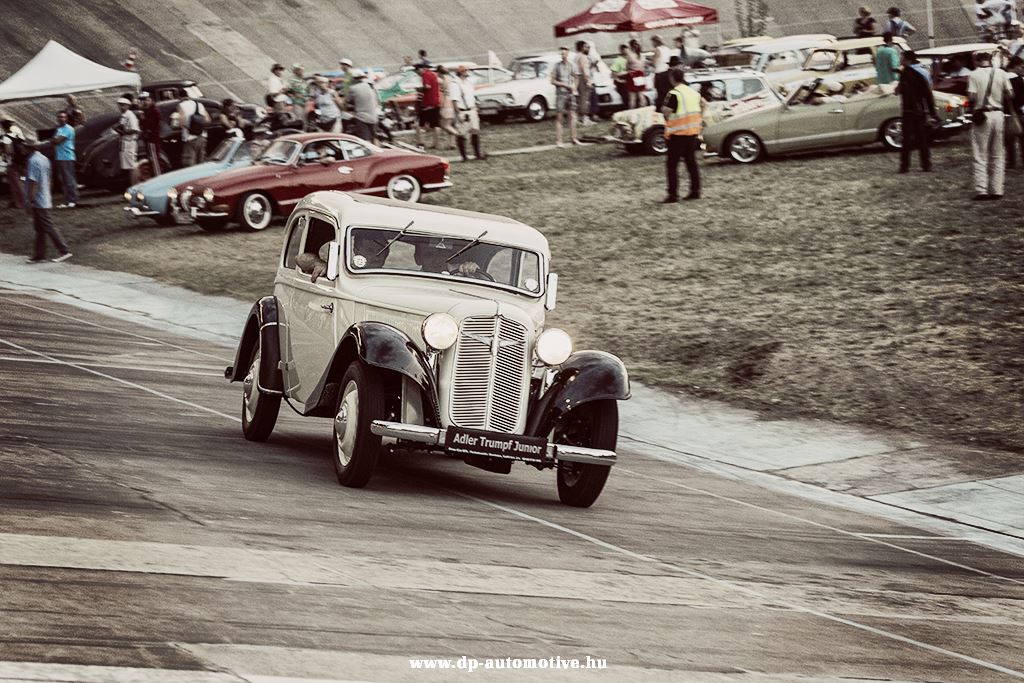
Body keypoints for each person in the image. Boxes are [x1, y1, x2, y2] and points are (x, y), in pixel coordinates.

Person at [967, 49, 1013, 198]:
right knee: (998, 153)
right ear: (990, 60)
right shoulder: (1001, 73)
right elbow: (1010, 94)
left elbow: (972, 96)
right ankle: (997, 189)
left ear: (977, 61)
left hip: (983, 114)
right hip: (998, 113)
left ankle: (982, 190)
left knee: (980, 154)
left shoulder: (973, 75)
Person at [23, 142, 71, 264]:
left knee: (48, 226)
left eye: (24, 146)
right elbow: (49, 179)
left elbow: (33, 182)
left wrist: (30, 201)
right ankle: (40, 255)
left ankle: (64, 250)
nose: (22, 148)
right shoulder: (45, 159)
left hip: (38, 200)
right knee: (40, 229)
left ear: (29, 148)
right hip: (45, 197)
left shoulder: (32, 161)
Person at [660, 68, 704, 202]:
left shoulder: (675, 93)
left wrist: (664, 112)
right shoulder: (693, 92)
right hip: (692, 133)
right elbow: (703, 105)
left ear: (672, 78)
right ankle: (695, 191)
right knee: (691, 163)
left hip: (678, 134)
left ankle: (673, 194)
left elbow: (667, 112)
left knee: (672, 165)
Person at [895, 51, 937, 172]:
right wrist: (932, 112)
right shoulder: (923, 71)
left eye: (902, 58)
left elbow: (899, 91)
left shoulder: (905, 73)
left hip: (909, 110)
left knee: (907, 139)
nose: (900, 60)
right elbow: (928, 94)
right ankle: (926, 165)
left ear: (908, 60)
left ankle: (904, 166)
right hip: (920, 110)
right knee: (922, 139)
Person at [453, 65, 485, 161]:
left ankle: (477, 154)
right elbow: (454, 100)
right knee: (462, 133)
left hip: (472, 109)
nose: (467, 73)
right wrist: (458, 113)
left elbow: (471, 96)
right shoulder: (455, 84)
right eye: (465, 71)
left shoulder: (468, 83)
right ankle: (464, 156)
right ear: (461, 73)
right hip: (463, 110)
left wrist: (476, 106)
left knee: (475, 131)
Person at [551, 46, 580, 147]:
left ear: (568, 53)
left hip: (570, 94)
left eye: (565, 53)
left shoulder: (572, 65)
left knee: (573, 116)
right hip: (561, 94)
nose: (563, 55)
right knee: (560, 117)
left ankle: (574, 138)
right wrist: (563, 85)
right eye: (561, 54)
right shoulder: (556, 66)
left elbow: (576, 77)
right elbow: (552, 80)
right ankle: (559, 141)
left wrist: (574, 87)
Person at [51, 111, 78, 208]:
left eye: (63, 117)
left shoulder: (68, 129)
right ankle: (67, 200)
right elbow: (54, 140)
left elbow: (57, 140)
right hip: (59, 157)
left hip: (67, 157)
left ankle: (73, 200)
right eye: (59, 117)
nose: (61, 118)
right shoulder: (58, 129)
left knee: (69, 179)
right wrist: (54, 139)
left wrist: (54, 140)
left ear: (66, 119)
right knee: (63, 180)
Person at [176, 93, 209, 167]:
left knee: (189, 163)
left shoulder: (181, 105)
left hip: (190, 138)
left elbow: (182, 122)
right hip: (202, 136)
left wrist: (186, 126)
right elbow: (207, 120)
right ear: (189, 96)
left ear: (180, 98)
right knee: (201, 162)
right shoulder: (199, 104)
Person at [346, 69, 379, 142]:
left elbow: (347, 101)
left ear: (354, 79)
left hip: (362, 117)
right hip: (374, 116)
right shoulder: (370, 86)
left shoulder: (353, 89)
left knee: (365, 140)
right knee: (375, 138)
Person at [114, 97, 141, 185]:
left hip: (130, 141)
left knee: (132, 165)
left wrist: (124, 131)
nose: (121, 107)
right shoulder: (124, 116)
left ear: (128, 106)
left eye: (123, 105)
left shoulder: (130, 115)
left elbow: (135, 129)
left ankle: (135, 185)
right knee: (128, 166)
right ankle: (132, 185)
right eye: (120, 105)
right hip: (125, 141)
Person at [415, 62, 441, 148]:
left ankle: (420, 142)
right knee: (435, 125)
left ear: (421, 69)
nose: (417, 73)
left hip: (427, 103)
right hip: (436, 102)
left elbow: (427, 86)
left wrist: (419, 89)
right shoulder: (433, 74)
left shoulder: (425, 75)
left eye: (417, 71)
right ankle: (436, 143)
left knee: (419, 124)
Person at [1004, 55, 1024, 167]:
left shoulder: (1002, 78)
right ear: (1015, 66)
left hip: (1007, 113)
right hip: (1020, 112)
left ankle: (1011, 162)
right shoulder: (1018, 80)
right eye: (1021, 67)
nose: (1022, 69)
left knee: (1009, 140)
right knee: (1023, 138)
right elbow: (1022, 98)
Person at [2, 119, 26, 208]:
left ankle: (20, 203)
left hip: (12, 163)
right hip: (20, 162)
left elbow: (9, 151)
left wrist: (5, 156)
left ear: (3, 127)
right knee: (21, 181)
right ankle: (19, 201)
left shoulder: (6, 137)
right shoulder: (16, 135)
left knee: (16, 184)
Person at [140, 92, 163, 176]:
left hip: (153, 139)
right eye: (143, 100)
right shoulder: (147, 111)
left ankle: (158, 176)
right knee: (151, 159)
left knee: (154, 159)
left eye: (147, 100)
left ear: (151, 100)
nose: (145, 102)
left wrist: (143, 119)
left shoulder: (154, 111)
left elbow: (150, 124)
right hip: (149, 139)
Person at [574, 41, 595, 126]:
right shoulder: (583, 57)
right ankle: (585, 119)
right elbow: (585, 70)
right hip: (583, 78)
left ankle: (578, 119)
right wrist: (588, 81)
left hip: (578, 77)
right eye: (586, 47)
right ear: (582, 47)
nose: (588, 49)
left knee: (580, 99)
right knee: (585, 99)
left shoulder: (576, 56)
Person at [650, 35, 672, 109]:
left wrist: (649, 62)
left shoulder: (657, 49)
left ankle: (660, 109)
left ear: (655, 42)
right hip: (667, 73)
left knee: (660, 94)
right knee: (666, 93)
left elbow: (654, 63)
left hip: (659, 73)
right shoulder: (667, 49)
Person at [626, 39, 645, 110]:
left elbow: (627, 66)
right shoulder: (642, 55)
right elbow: (643, 66)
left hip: (632, 75)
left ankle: (631, 112)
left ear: (631, 46)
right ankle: (643, 110)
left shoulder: (630, 55)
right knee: (641, 95)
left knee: (632, 97)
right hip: (641, 75)